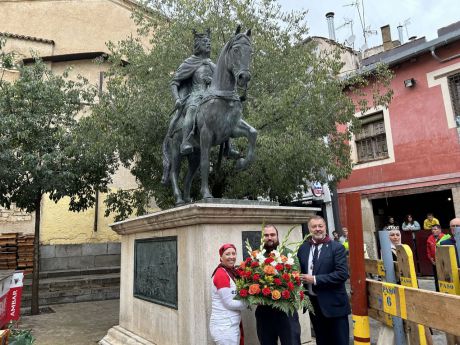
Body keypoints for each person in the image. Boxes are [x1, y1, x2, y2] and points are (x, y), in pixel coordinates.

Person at [297, 216, 350, 345]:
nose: (317, 229)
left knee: (339, 342)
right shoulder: (303, 249)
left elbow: (342, 274)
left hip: (334, 305)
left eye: (320, 226)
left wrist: (314, 279)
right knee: (322, 341)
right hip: (314, 306)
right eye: (314, 227)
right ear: (309, 229)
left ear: (325, 227)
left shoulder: (337, 248)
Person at [170, 29, 215, 155]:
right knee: (192, 109)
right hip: (194, 96)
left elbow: (220, 83)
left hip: (211, 97)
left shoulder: (212, 64)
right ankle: (185, 141)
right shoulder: (190, 62)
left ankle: (229, 145)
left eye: (209, 42)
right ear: (198, 45)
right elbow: (174, 82)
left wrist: (211, 80)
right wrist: (177, 99)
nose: (209, 44)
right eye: (205, 42)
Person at [254, 225, 301, 345]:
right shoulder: (257, 256)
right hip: (264, 311)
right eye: (266, 235)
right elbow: (251, 278)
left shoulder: (288, 254)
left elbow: (296, 278)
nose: (269, 238)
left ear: (277, 236)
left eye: (272, 235)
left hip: (286, 310)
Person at [210, 243, 247, 345]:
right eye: (227, 254)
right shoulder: (221, 274)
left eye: (233, 253)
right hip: (224, 327)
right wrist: (249, 301)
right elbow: (229, 303)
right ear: (221, 257)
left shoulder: (231, 272)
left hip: (230, 325)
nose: (231, 257)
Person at [426, 224, 451, 292]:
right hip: (435, 263)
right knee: (437, 278)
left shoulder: (446, 237)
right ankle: (438, 291)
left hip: (445, 263)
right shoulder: (429, 238)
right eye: (432, 230)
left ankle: (448, 291)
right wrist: (431, 259)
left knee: (447, 277)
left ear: (440, 230)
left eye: (435, 229)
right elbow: (428, 251)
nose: (433, 231)